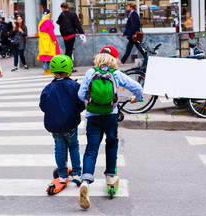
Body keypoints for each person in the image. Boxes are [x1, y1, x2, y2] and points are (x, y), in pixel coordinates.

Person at [77, 45, 143, 209]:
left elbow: (80, 94)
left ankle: (85, 181)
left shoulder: (90, 73)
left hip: (92, 117)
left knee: (91, 149)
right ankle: (110, 177)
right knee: (112, 143)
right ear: (115, 59)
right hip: (111, 117)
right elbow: (138, 88)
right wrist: (137, 98)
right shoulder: (117, 74)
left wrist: (90, 105)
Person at [39, 54, 85, 185]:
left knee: (59, 148)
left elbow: (43, 106)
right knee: (73, 146)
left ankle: (63, 175)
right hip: (71, 124)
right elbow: (81, 103)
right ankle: (76, 174)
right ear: (70, 70)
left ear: (52, 72)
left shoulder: (48, 88)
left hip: (55, 126)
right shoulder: (75, 86)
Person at [57, 2, 84, 72]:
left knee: (67, 51)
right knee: (69, 51)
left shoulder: (62, 15)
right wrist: (81, 32)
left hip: (65, 35)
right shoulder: (73, 14)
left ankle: (66, 66)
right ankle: (69, 67)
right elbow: (77, 24)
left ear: (63, 8)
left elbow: (58, 22)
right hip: (71, 34)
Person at [38, 9, 61, 75]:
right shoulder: (48, 21)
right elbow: (51, 32)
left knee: (45, 56)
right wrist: (54, 40)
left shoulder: (41, 21)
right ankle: (49, 70)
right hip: (48, 40)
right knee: (50, 55)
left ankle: (45, 69)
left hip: (42, 41)